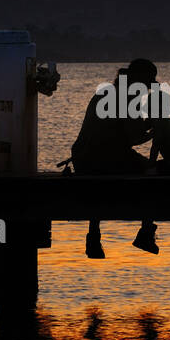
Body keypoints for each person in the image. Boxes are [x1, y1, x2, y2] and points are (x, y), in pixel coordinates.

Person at [69, 58, 161, 259]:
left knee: (98, 188)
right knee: (154, 175)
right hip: (108, 159)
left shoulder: (109, 92)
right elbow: (135, 137)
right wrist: (157, 130)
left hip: (84, 159)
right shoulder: (128, 98)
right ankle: (145, 233)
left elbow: (124, 130)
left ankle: (93, 236)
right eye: (150, 80)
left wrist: (146, 127)